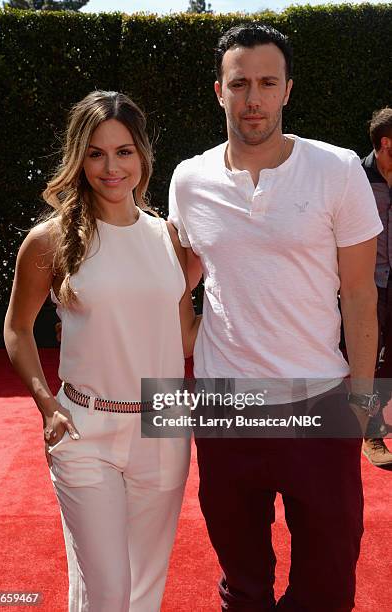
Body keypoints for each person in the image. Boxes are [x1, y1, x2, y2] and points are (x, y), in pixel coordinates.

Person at [169, 24, 383, 612]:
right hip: (224, 407)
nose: (253, 98)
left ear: (288, 89)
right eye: (240, 84)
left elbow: (361, 296)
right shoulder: (188, 180)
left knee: (329, 573)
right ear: (219, 91)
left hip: (317, 397)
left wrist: (365, 399)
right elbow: (178, 279)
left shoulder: (338, 170)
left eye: (267, 82)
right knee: (243, 580)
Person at [4, 90, 200, 612]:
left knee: (142, 590)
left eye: (123, 151)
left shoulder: (171, 239)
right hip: (83, 427)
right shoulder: (48, 241)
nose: (111, 167)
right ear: (78, 158)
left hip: (164, 424)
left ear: (142, 156)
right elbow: (18, 330)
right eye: (95, 153)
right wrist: (47, 404)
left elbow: (183, 337)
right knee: (109, 593)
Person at [361, 107, 392, 468]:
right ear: (385, 143)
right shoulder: (356, 177)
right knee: (368, 359)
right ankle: (372, 433)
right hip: (366, 284)